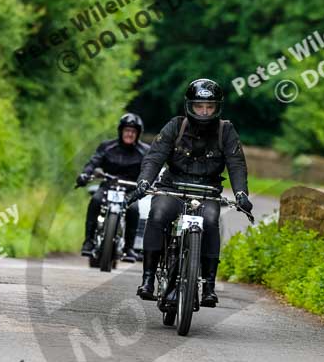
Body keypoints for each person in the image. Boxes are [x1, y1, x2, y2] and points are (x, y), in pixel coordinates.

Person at [130, 79, 252, 306]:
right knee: (158, 215)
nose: (204, 112)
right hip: (172, 188)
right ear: (190, 106)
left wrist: (241, 194)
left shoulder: (226, 130)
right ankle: (147, 280)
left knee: (211, 220)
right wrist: (144, 181)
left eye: (209, 107)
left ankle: (208, 286)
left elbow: (236, 164)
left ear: (217, 107)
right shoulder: (175, 126)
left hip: (207, 191)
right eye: (199, 106)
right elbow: (155, 156)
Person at [76, 113, 149, 262]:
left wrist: (147, 183)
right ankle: (88, 241)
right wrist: (85, 174)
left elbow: (149, 169)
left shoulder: (145, 151)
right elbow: (93, 162)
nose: (129, 134)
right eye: (127, 130)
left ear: (138, 134)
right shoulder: (107, 146)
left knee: (134, 209)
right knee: (95, 200)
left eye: (133, 131)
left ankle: (129, 248)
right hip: (108, 185)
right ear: (121, 131)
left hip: (130, 188)